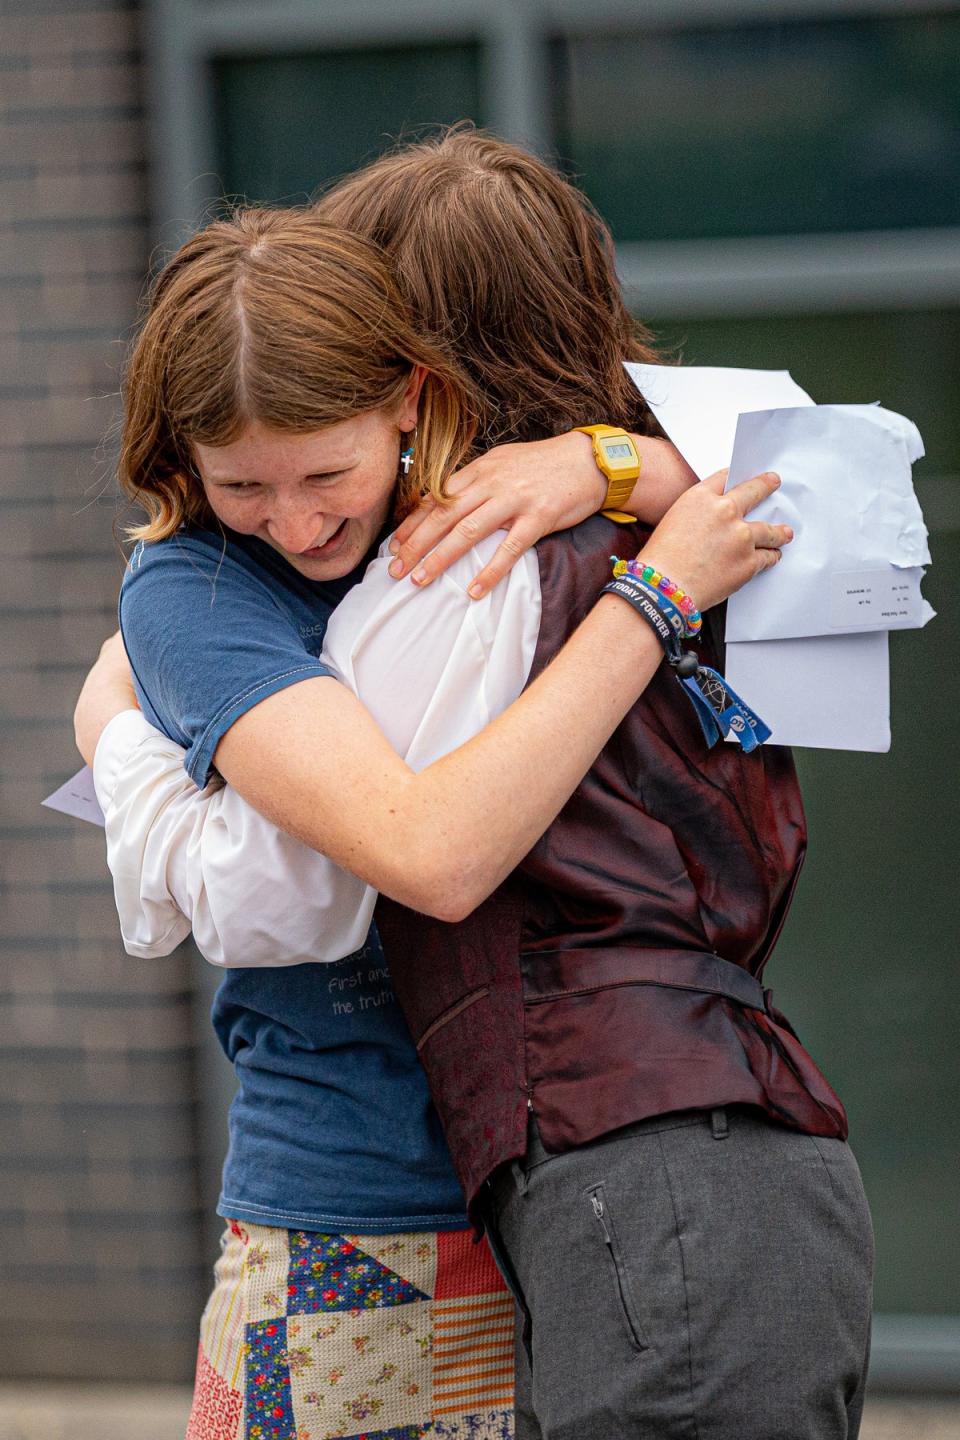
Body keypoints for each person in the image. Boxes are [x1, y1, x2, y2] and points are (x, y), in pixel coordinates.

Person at [73, 158, 791, 1438]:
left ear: (407, 388)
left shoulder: (484, 527)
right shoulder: (217, 591)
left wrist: (605, 463)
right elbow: (398, 861)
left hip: (569, 1193)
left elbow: (832, 493)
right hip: (361, 1211)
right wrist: (656, 596)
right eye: (242, 486)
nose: (292, 523)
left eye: (322, 472)